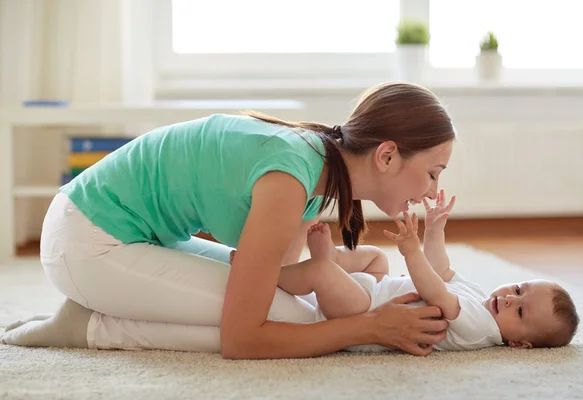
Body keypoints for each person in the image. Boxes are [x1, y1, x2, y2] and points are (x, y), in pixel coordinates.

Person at [1, 82, 455, 358]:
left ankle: (102, 302)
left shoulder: (323, 171)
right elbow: (244, 340)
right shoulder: (291, 176)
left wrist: (340, 270)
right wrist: (370, 327)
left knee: (291, 310)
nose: (433, 191)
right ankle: (90, 327)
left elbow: (278, 277)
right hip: (88, 239)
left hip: (134, 236)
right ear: (388, 155)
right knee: (293, 322)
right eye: (433, 173)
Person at [263, 190, 580, 352]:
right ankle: (333, 257)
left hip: (360, 312)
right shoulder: (482, 299)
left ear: (519, 344)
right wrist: (435, 230)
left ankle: (270, 274)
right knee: (376, 260)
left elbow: (434, 290)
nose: (511, 299)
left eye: (521, 312)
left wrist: (412, 251)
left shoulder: (481, 327)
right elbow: (440, 270)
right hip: (374, 292)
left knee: (321, 274)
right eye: (519, 289)